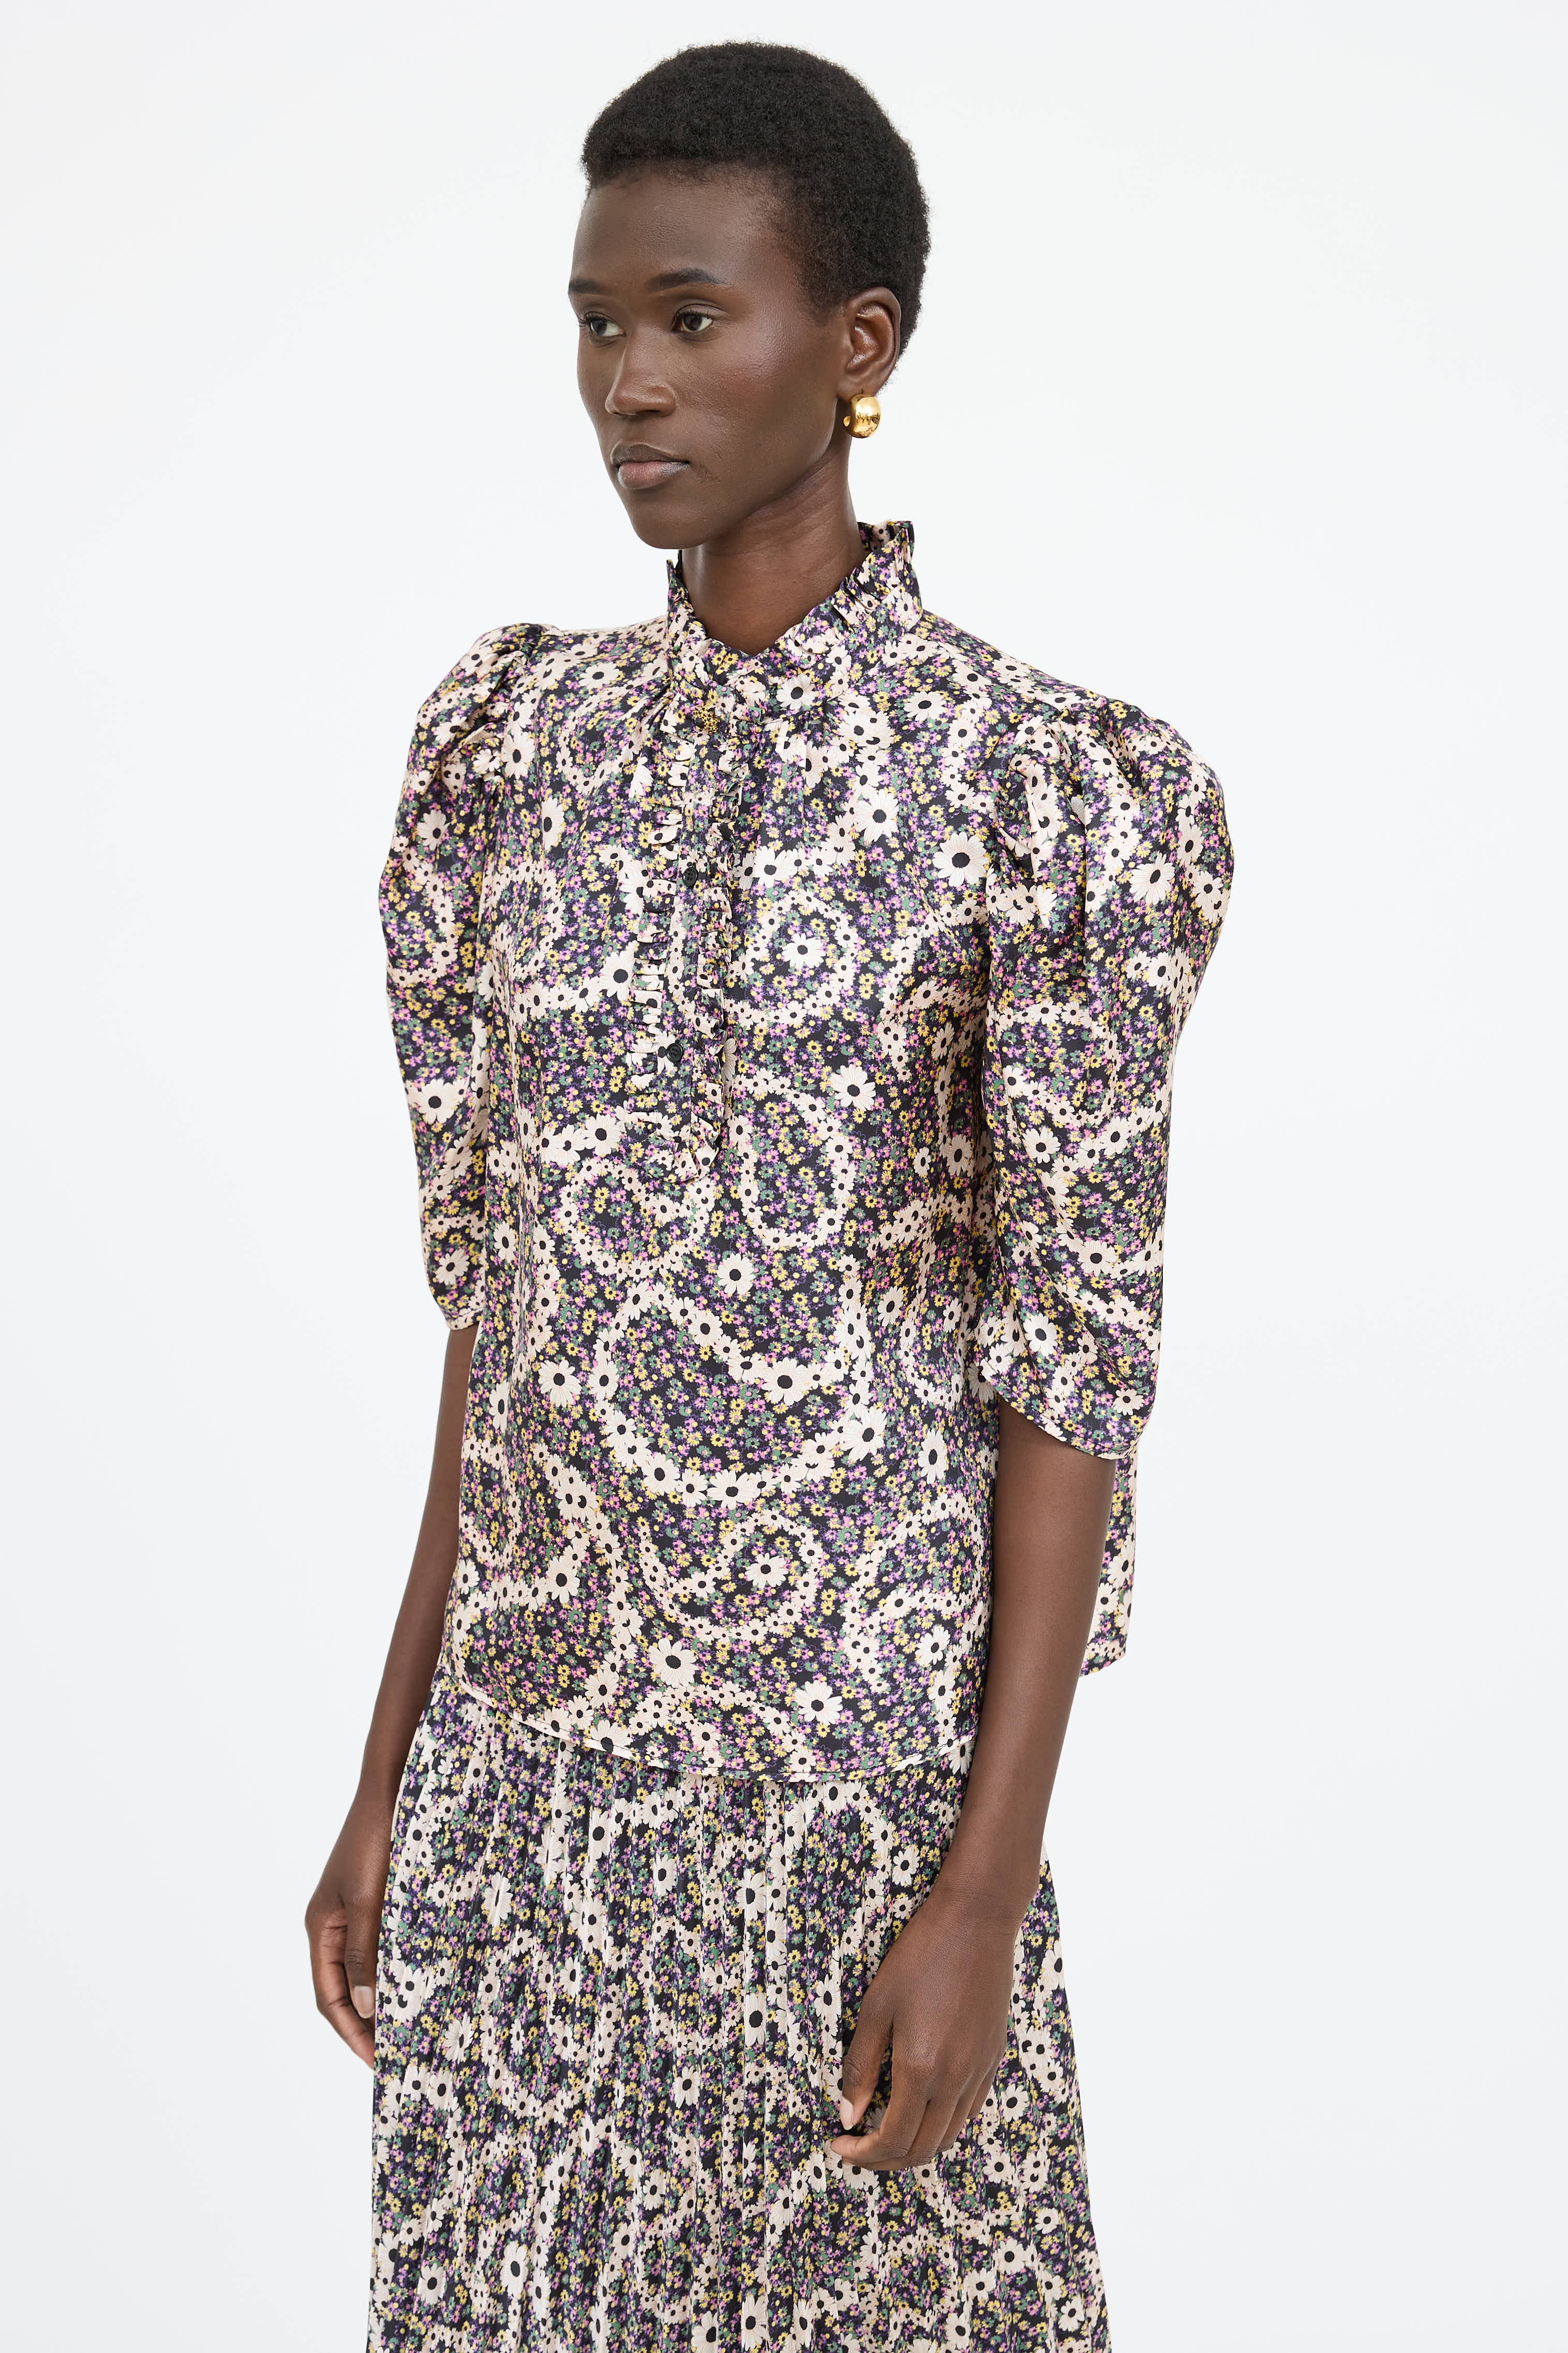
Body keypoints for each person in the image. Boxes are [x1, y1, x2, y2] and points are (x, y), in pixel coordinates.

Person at [306, 41, 1233, 2352]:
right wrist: (391, 1770)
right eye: (597, 321)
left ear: (857, 344)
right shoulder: (509, 755)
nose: (628, 379)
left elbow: (1072, 1369)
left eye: (691, 317)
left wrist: (983, 1888)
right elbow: (504, 1310)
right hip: (529, 1819)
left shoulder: (1043, 790)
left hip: (850, 1812)